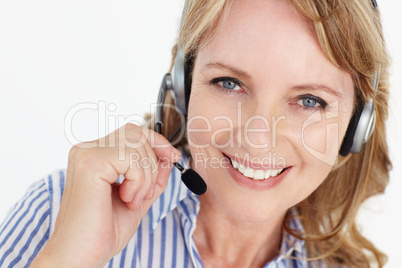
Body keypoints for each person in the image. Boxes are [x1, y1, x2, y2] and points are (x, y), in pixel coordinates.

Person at [0, 0, 391, 267]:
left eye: (309, 101)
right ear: (184, 88)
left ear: (357, 124)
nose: (259, 138)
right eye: (229, 83)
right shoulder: (62, 214)